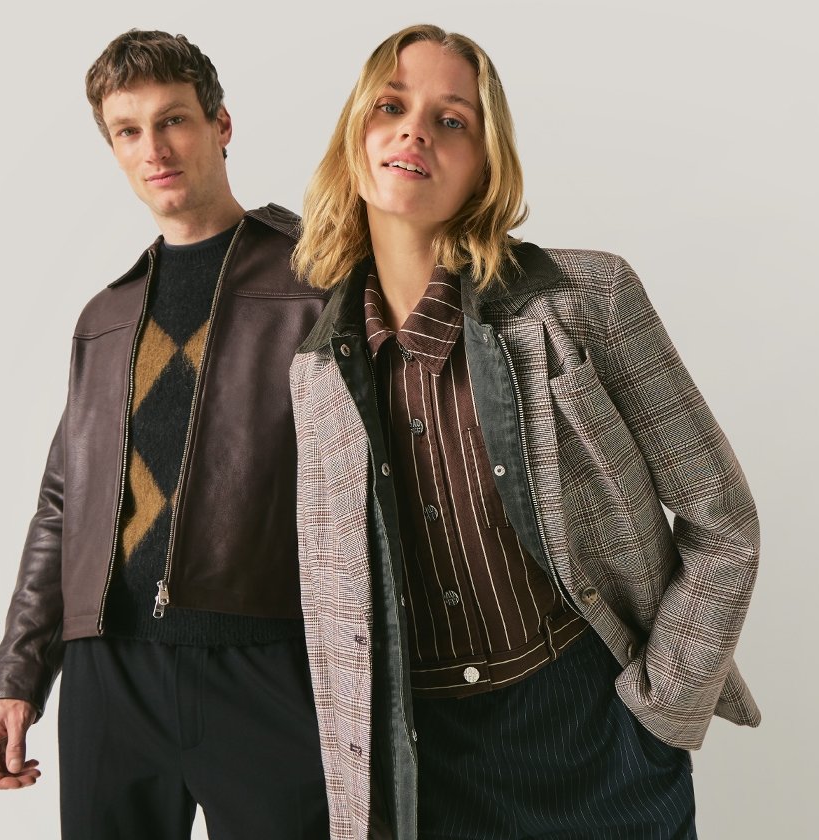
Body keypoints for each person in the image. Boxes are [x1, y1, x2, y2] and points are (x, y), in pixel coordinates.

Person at [288, 24, 762, 840]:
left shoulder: (587, 299)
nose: (414, 131)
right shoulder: (317, 372)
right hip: (429, 766)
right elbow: (332, 609)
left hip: (595, 734)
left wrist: (661, 711)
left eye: (451, 120)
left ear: (485, 164)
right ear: (355, 138)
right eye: (391, 107)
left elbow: (722, 518)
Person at [0, 29, 329, 839]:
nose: (153, 149)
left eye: (173, 121)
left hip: (266, 661)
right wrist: (16, 677)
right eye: (128, 131)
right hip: (110, 672)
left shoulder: (314, 281)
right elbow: (62, 503)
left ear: (221, 125)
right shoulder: (106, 316)